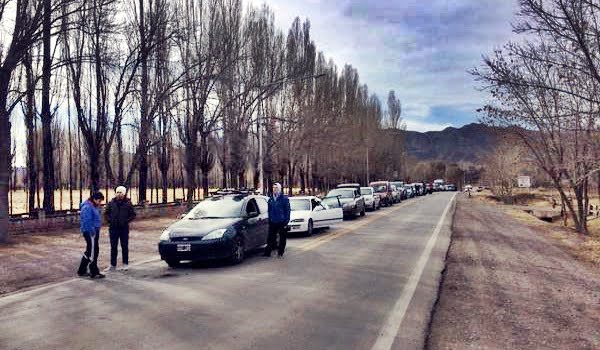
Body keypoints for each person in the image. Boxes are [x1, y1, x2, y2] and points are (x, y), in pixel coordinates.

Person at [104, 186, 136, 272]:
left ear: (124, 193)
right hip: (113, 228)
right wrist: (110, 221)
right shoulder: (111, 202)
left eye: (121, 192)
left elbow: (133, 214)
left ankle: (125, 264)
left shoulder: (128, 203)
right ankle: (112, 265)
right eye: (117, 192)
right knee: (113, 247)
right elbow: (106, 213)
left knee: (124, 246)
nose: (119, 194)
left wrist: (126, 221)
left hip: (124, 228)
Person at [77, 192, 105, 279]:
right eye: (99, 201)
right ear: (94, 199)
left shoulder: (92, 206)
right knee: (93, 252)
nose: (100, 203)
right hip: (90, 232)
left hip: (93, 231)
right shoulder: (87, 207)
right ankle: (94, 271)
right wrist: (92, 231)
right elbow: (87, 221)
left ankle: (82, 270)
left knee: (90, 251)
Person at [264, 183, 291, 258]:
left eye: (276, 188)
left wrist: (286, 221)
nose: (274, 189)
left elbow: (287, 211)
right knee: (270, 238)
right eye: (273, 188)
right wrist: (270, 219)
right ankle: (267, 252)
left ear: (279, 189)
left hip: (282, 222)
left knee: (282, 238)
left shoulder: (284, 199)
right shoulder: (271, 199)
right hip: (273, 221)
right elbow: (269, 210)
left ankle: (280, 252)